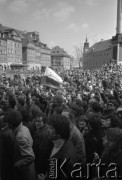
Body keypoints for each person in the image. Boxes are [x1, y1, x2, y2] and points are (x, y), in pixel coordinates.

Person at [44, 114, 81, 180]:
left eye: (51, 128)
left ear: (60, 131)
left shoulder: (65, 159)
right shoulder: (60, 143)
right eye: (48, 127)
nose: (47, 130)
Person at [7, 110, 37, 180]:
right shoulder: (24, 128)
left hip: (25, 172)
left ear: (11, 124)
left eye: (8, 122)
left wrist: (16, 165)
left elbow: (30, 157)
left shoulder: (20, 136)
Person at [32, 111, 53, 175]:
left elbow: (43, 154)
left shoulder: (45, 135)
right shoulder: (40, 130)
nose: (37, 123)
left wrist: (39, 170)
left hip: (41, 165)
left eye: (39, 121)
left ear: (44, 122)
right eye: (36, 121)